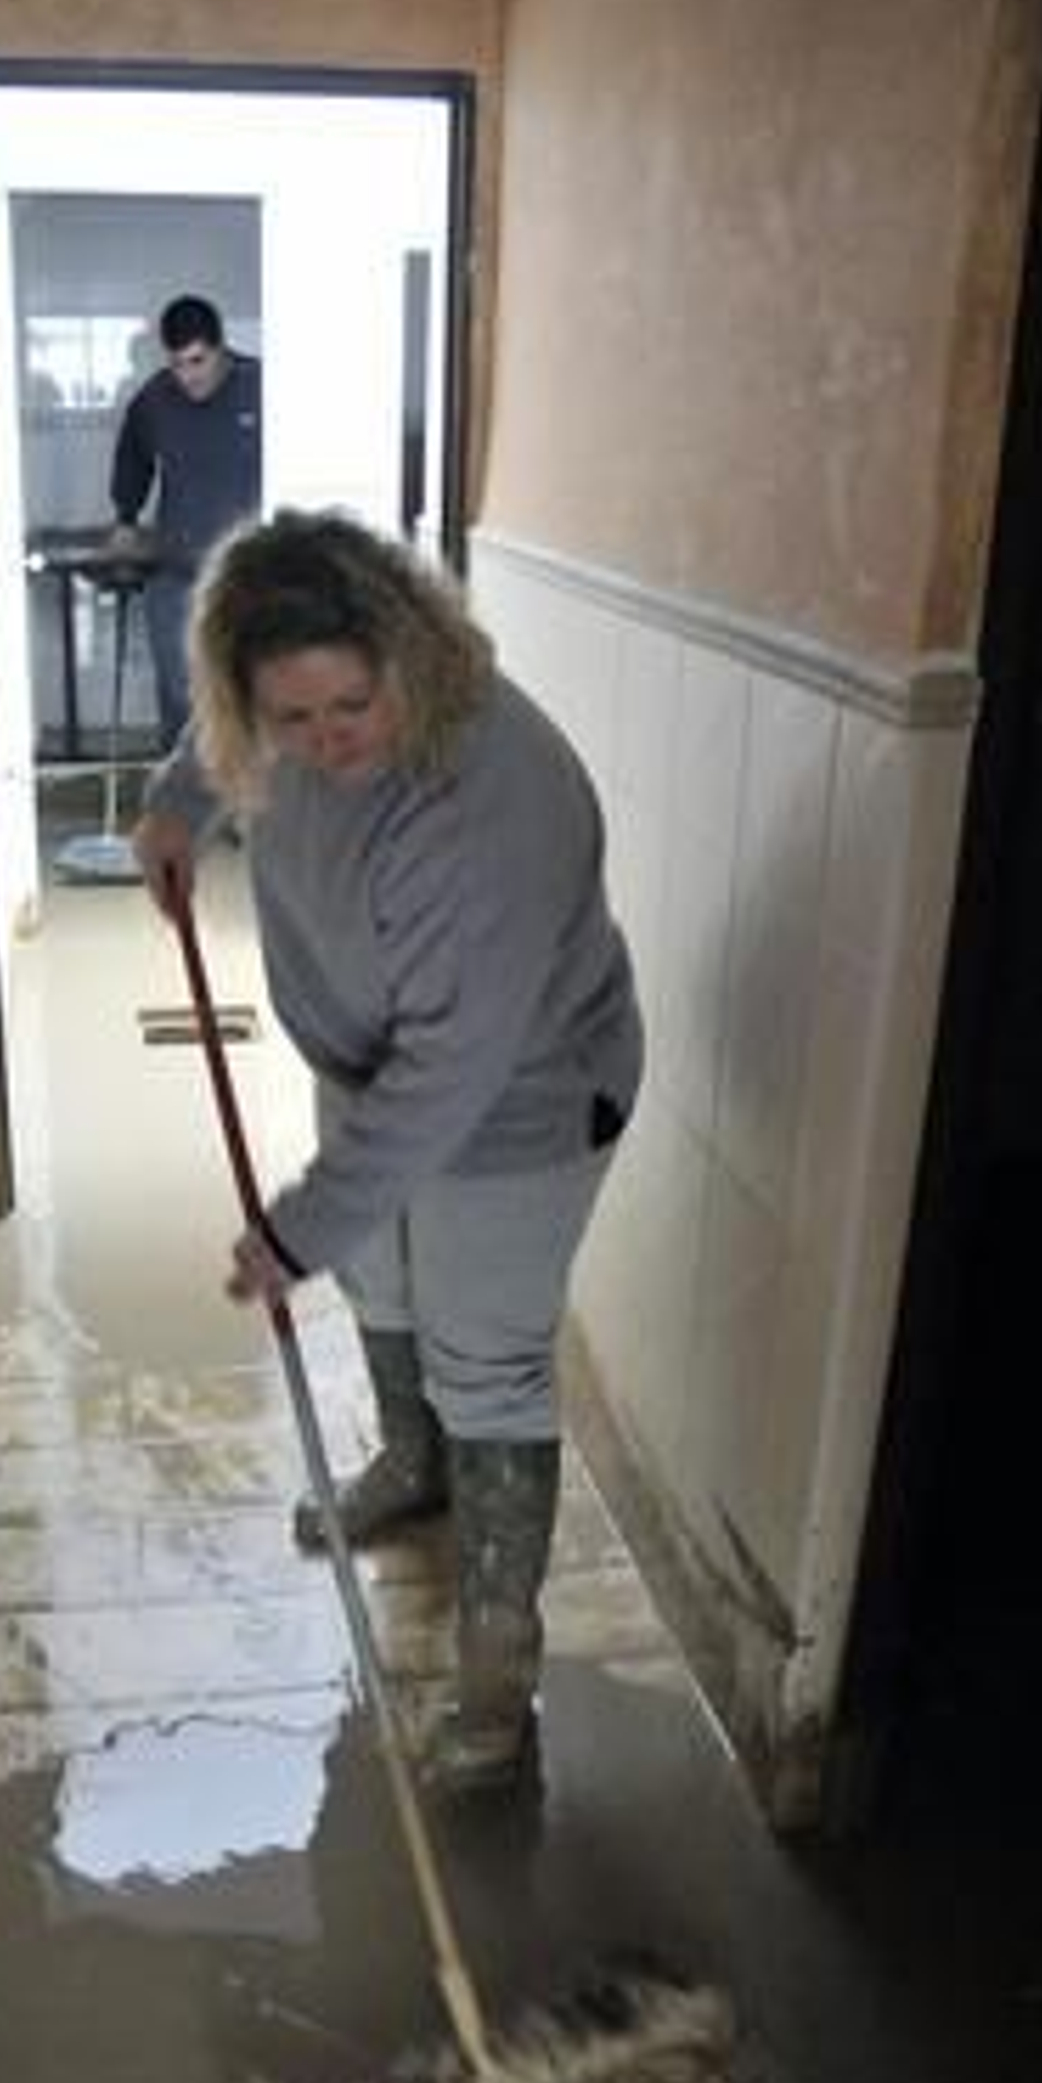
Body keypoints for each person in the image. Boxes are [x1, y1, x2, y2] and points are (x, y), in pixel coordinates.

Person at [131, 510, 645, 1794]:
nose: (322, 746)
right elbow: (221, 747)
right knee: (387, 1283)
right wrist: (173, 808)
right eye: (288, 719)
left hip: (518, 1101)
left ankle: (493, 1671)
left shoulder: (486, 800)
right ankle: (412, 1470)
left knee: (489, 1358)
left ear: (407, 661)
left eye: (348, 710)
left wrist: (300, 1225)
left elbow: (447, 1085)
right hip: (375, 1070)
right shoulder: (282, 721)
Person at [109, 293, 263, 753]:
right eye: (178, 364)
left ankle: (253, 812)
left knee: (249, 693)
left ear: (221, 349)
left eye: (197, 361)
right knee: (181, 700)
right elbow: (132, 458)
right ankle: (185, 811)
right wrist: (126, 517)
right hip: (175, 573)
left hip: (250, 577)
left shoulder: (263, 386)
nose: (188, 377)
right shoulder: (155, 400)